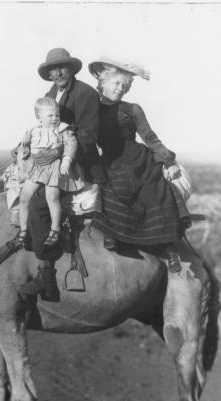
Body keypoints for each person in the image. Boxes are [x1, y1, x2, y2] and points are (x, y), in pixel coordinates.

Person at [87, 57, 191, 273]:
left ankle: (170, 248)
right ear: (103, 82)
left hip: (138, 158)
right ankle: (113, 235)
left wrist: (168, 161)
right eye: (116, 83)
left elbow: (150, 138)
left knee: (158, 189)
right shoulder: (92, 108)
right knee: (111, 186)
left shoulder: (132, 109)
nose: (120, 89)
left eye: (125, 85)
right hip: (112, 160)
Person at [18, 48, 102, 300]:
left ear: (71, 69)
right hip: (50, 159)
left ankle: (46, 274)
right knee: (19, 186)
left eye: (61, 67)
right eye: (52, 70)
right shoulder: (51, 94)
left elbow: (89, 135)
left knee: (39, 202)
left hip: (77, 161)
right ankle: (23, 235)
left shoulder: (86, 94)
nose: (57, 73)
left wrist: (62, 150)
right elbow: (42, 129)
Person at [16, 97, 83, 248]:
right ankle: (23, 229)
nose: (55, 118)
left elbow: (71, 145)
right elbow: (24, 146)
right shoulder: (33, 130)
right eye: (50, 115)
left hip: (54, 167)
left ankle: (55, 228)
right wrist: (22, 158)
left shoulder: (62, 129)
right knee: (24, 197)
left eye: (57, 115)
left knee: (52, 197)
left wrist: (66, 160)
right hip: (37, 166)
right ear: (39, 116)